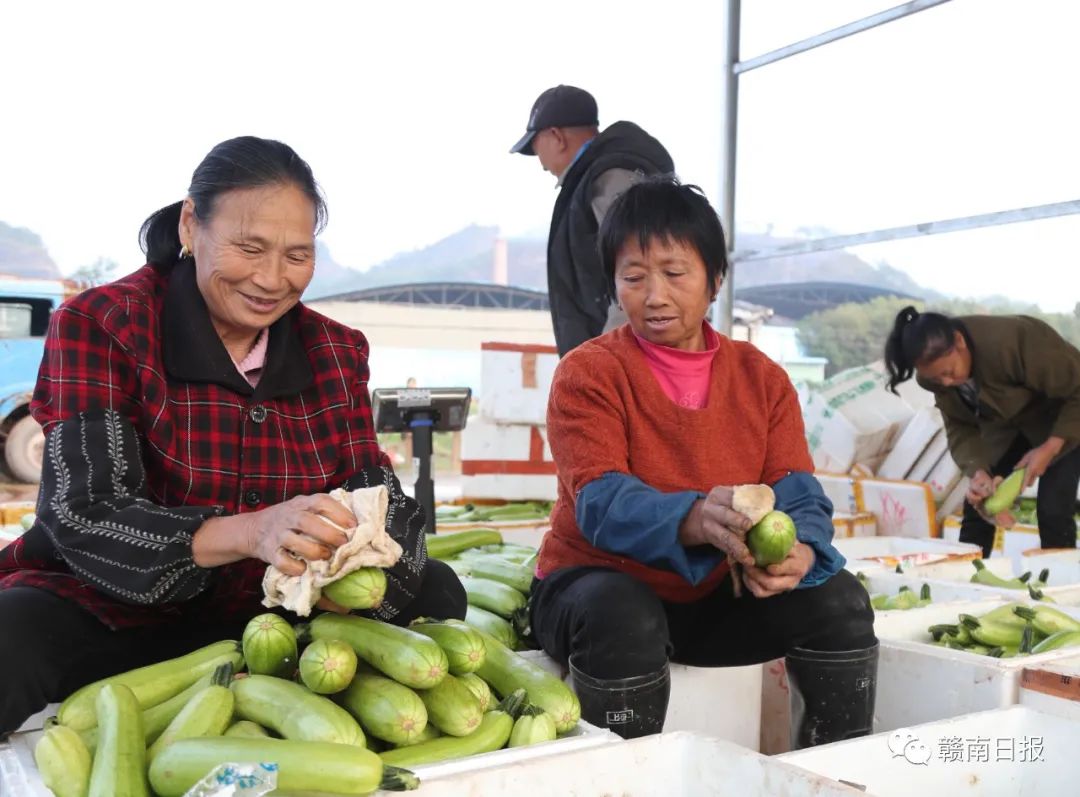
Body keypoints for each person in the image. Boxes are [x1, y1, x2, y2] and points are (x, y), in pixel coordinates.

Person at [0, 136, 466, 736]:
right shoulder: (102, 324)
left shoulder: (336, 348)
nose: (272, 280)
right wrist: (252, 530)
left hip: (276, 614)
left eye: (297, 256)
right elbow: (84, 515)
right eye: (250, 248)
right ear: (192, 225)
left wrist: (347, 570)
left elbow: (377, 494)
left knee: (436, 591)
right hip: (121, 608)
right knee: (10, 635)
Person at [529, 176, 877, 746]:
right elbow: (600, 500)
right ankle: (621, 781)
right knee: (623, 611)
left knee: (839, 600)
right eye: (634, 277)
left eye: (674, 272)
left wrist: (803, 550)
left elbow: (796, 487)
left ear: (714, 280)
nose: (654, 295)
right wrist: (693, 518)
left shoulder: (762, 378)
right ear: (615, 285)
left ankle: (831, 772)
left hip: (716, 596)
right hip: (594, 589)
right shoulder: (589, 372)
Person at [884, 306, 1080, 557]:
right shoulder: (934, 377)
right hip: (1010, 422)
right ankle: (966, 576)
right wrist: (978, 472)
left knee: (1053, 509)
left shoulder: (1012, 341)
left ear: (960, 341)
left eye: (948, 372)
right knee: (979, 503)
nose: (945, 382)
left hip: (1067, 415)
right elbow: (959, 426)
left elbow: (1077, 391)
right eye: (936, 378)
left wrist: (1050, 447)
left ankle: (1061, 585)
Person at [510, 85, 674, 357]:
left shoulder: (611, 179)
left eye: (536, 147)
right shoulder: (594, 180)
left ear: (556, 137)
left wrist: (604, 362)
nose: (540, 163)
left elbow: (642, 271)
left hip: (616, 365)